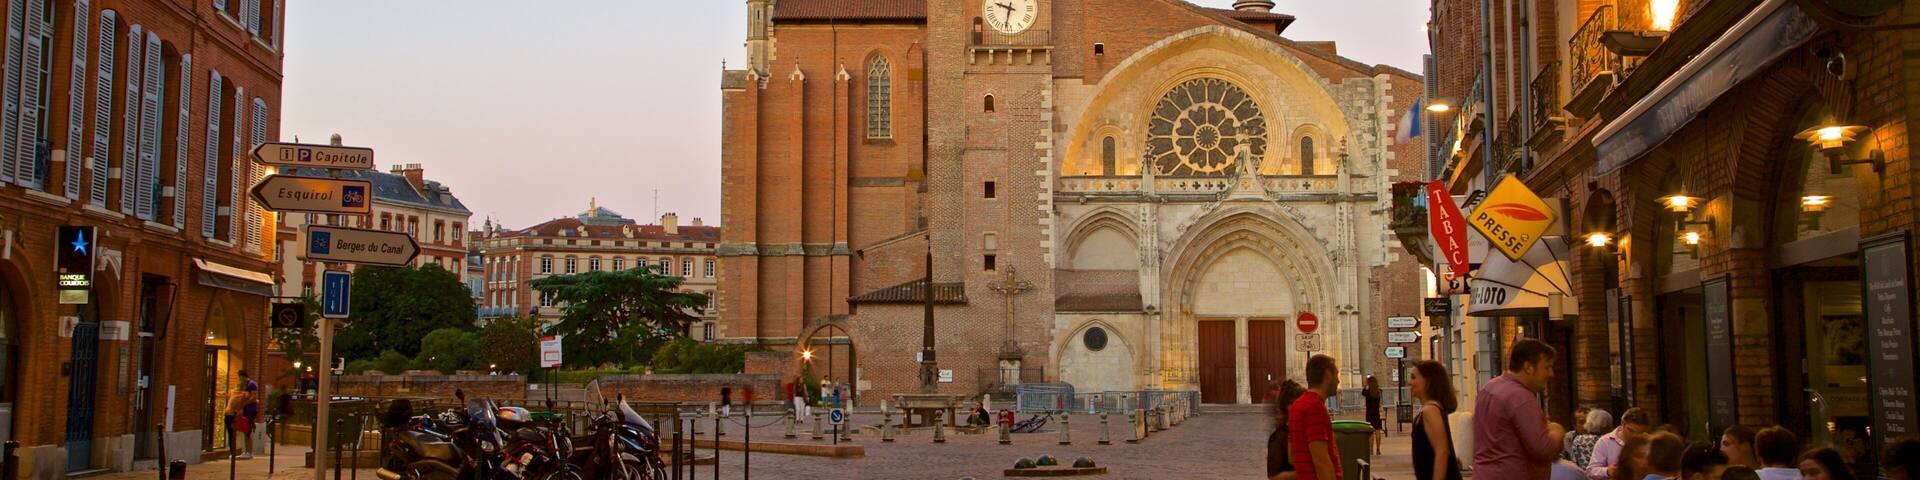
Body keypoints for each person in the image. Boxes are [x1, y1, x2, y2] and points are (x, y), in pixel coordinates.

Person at [1474, 338, 1568, 480]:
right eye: (1547, 367)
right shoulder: (1521, 397)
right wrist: (1557, 431)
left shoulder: (1489, 387)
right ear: (1528, 367)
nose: (1551, 374)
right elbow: (1543, 449)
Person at [1290, 355, 1342, 480]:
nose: (1338, 381)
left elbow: (1291, 455)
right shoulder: (1315, 408)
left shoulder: (1298, 404)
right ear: (1327, 375)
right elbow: (1322, 462)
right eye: (1336, 374)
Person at [1410, 360, 1463, 480]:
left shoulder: (1430, 410)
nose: (1410, 382)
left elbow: (1442, 451)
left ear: (1428, 381)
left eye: (1414, 378)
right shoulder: (1429, 409)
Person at [1590, 408, 1653, 479]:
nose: (1634, 436)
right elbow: (1591, 471)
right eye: (1631, 430)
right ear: (1623, 424)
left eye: (1640, 433)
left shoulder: (1650, 442)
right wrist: (1607, 471)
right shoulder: (1605, 441)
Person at [1269, 380, 1308, 480]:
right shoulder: (1280, 436)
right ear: (1285, 406)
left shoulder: (1305, 430)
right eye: (1294, 403)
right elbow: (1274, 477)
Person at [1364, 375, 1384, 453]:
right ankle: (1378, 449)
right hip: (1376, 413)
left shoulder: (1367, 392)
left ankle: (1371, 449)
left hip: (1369, 413)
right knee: (1377, 430)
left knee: (1370, 432)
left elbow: (1363, 392)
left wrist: (1366, 385)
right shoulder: (1378, 391)